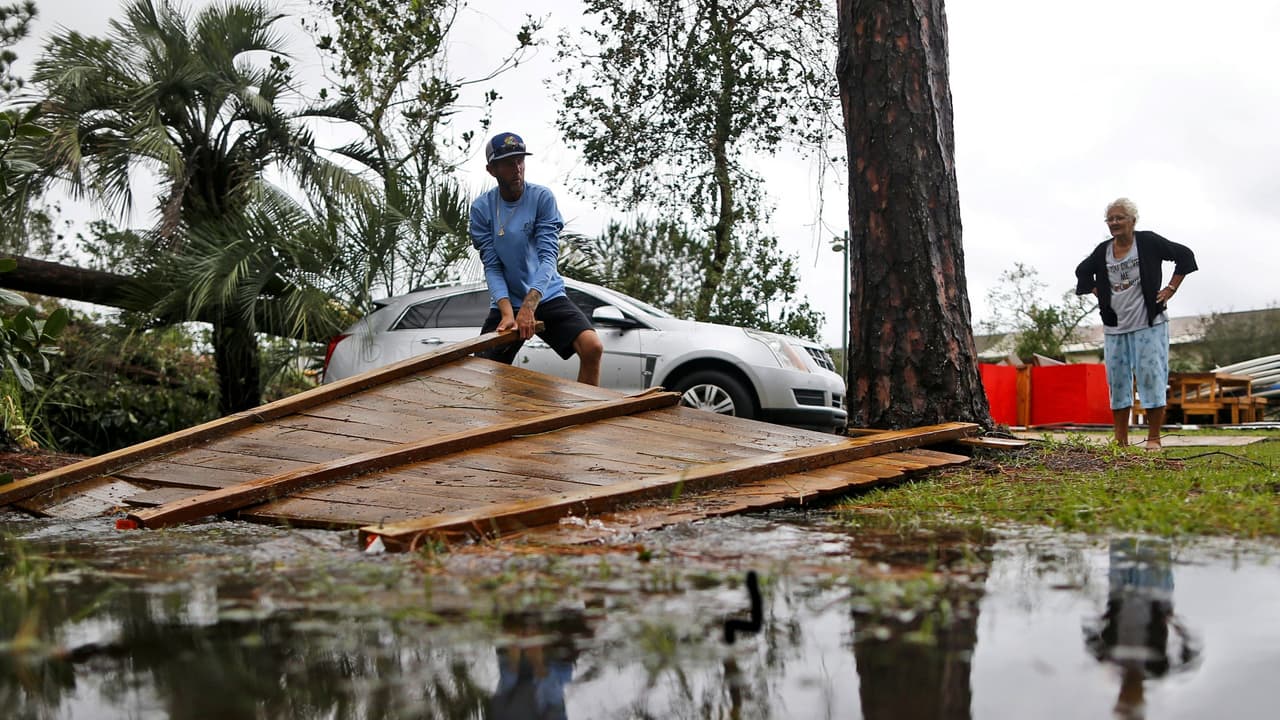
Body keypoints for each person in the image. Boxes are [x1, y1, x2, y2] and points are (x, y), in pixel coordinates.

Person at [469, 132, 603, 385]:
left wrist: (530, 305)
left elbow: (548, 257)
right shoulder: (482, 209)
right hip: (507, 302)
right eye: (508, 163)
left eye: (520, 160)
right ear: (492, 170)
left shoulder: (541, 198)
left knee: (592, 347)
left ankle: (587, 417)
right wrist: (508, 313)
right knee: (483, 371)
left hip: (546, 294)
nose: (517, 168)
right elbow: (493, 266)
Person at [1075, 198, 1197, 450]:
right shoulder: (1103, 251)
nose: (1114, 223)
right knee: (1117, 381)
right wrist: (1100, 292)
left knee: (1151, 376)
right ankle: (1120, 441)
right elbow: (1082, 271)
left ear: (1132, 220)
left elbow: (1184, 255)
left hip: (1148, 323)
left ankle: (1153, 438)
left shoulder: (1148, 242)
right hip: (1115, 326)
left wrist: (1170, 289)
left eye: (1119, 217)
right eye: (1110, 219)